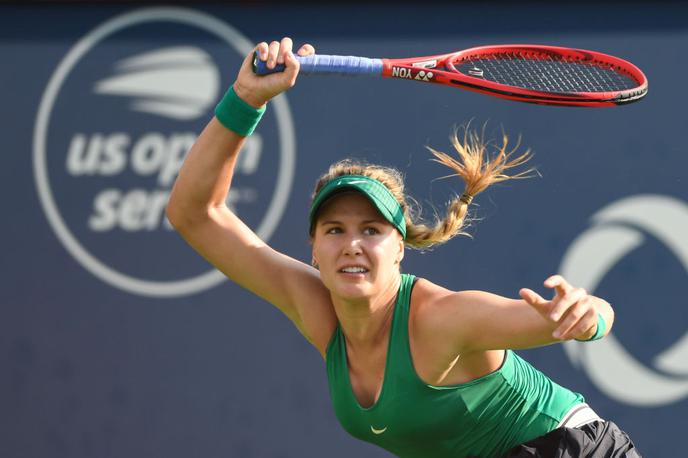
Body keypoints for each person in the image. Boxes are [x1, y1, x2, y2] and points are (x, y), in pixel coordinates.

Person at [166, 38, 642, 458]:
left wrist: (588, 316)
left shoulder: (441, 318)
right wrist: (245, 99)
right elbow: (194, 214)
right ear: (313, 248)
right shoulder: (315, 309)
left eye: (371, 230)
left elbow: (588, 317)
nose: (352, 244)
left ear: (400, 249)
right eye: (334, 230)